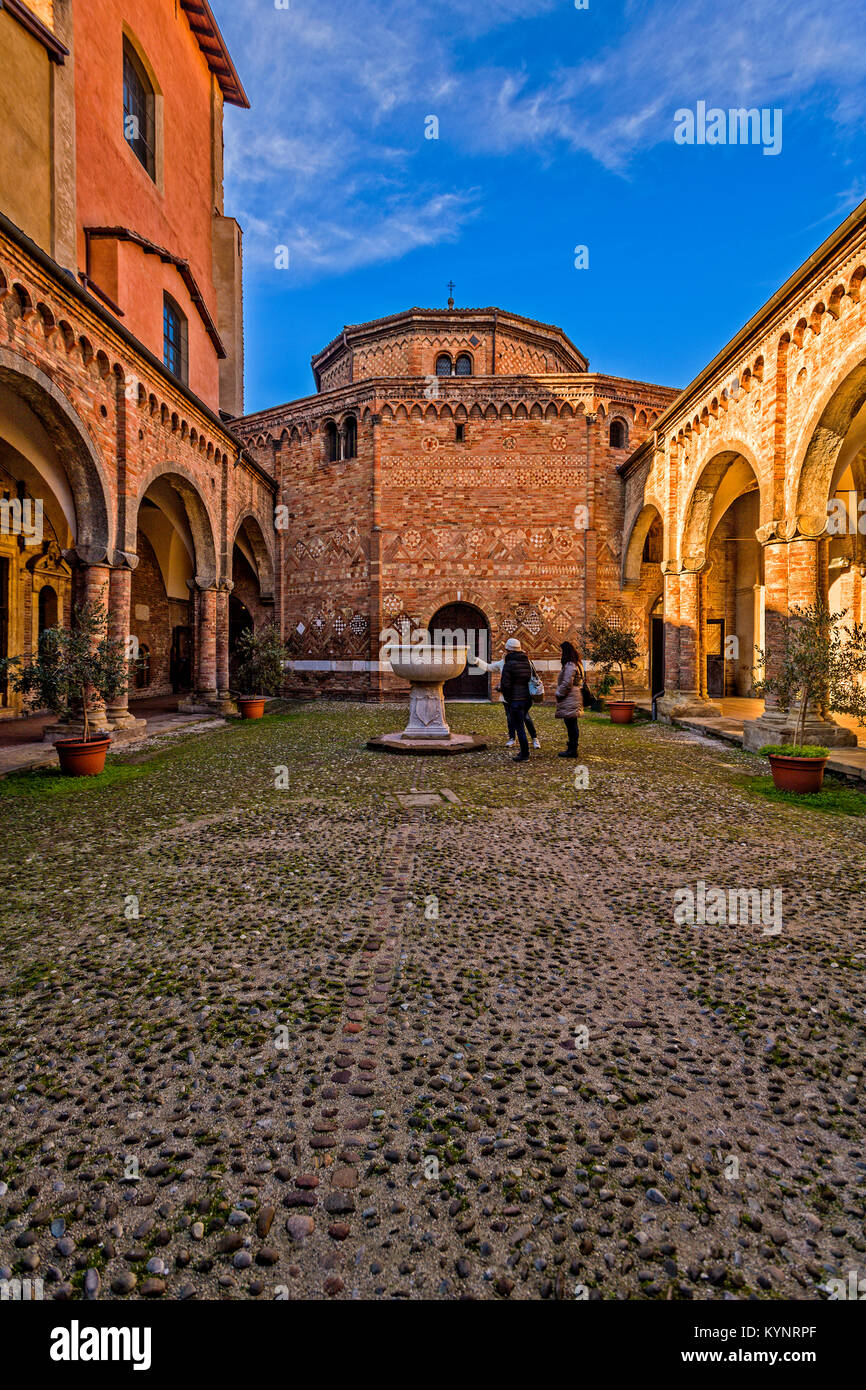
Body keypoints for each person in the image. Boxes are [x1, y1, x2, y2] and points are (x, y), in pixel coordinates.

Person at [471, 645, 540, 749]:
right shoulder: (504, 662)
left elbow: (531, 678)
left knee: (525, 717)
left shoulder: (526, 662)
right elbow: (489, 667)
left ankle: (534, 739)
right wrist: (477, 660)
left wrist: (502, 687)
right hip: (509, 696)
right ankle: (512, 738)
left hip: (520, 696)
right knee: (510, 718)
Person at [498, 637, 535, 762]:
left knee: (519, 727)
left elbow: (506, 685)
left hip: (516, 700)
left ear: (508, 650)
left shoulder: (509, 664)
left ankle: (524, 754)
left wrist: (504, 694)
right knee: (522, 723)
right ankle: (525, 751)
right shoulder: (526, 662)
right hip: (527, 698)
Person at [555, 640, 584, 758]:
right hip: (574, 695)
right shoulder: (577, 664)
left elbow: (567, 683)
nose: (560, 654)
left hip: (570, 697)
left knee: (571, 724)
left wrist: (558, 692)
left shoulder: (570, 665)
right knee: (572, 723)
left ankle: (572, 749)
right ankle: (572, 748)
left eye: (561, 652)